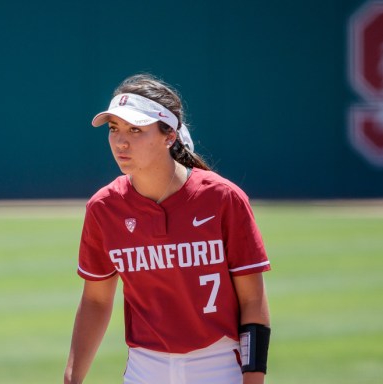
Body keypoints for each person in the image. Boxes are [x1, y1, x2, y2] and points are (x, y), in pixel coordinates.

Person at [64, 74, 272, 384]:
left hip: (218, 367)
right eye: (114, 129)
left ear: (169, 136)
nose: (121, 141)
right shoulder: (104, 208)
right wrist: (72, 378)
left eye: (136, 130)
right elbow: (96, 300)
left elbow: (252, 300)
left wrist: (253, 380)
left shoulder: (222, 199)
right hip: (144, 370)